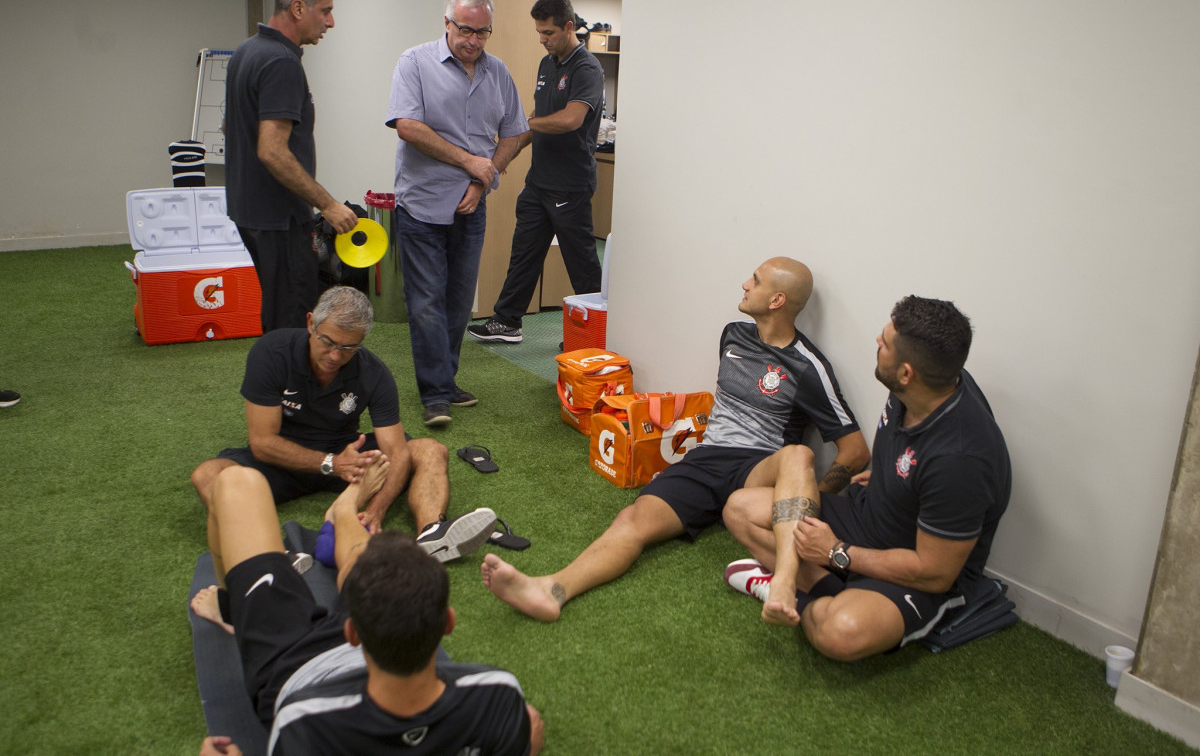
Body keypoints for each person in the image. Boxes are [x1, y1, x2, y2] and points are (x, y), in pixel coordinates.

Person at [481, 258, 870, 621]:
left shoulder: (808, 366)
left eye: (755, 280)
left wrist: (804, 502)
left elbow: (855, 450)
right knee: (633, 519)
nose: (745, 284)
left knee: (798, 454)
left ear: (777, 300)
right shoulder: (733, 336)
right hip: (708, 457)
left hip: (759, 467)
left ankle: (783, 582)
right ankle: (552, 590)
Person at [722, 296, 1012, 662]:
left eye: (886, 343)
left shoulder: (960, 460)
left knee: (840, 633)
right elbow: (912, 454)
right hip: (866, 517)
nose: (877, 341)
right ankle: (798, 583)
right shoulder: (924, 385)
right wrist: (883, 476)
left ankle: (799, 584)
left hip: (912, 568)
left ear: (907, 372)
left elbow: (934, 573)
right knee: (740, 509)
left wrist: (836, 553)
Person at [191, 465, 545, 755]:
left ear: (352, 633)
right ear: (447, 624)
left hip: (291, 664)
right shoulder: (499, 696)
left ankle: (233, 606)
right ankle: (344, 511)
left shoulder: (301, 727)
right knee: (373, 565)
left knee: (237, 482)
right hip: (353, 650)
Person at [190, 286, 495, 562]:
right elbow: (262, 442)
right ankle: (271, 554)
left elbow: (397, 452)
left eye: (348, 348)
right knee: (209, 475)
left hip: (348, 461)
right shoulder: (272, 352)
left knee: (430, 449)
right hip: (282, 461)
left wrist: (376, 510)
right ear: (311, 323)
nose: (335, 355)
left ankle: (432, 536)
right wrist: (331, 463)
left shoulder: (374, 372)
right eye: (327, 341)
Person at [386, 0, 529, 427]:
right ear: (447, 24)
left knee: (456, 302)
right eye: (465, 29)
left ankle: (443, 382)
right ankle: (435, 394)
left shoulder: (498, 72)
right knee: (426, 302)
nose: (473, 39)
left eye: (482, 32)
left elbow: (515, 133)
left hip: (471, 207)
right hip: (422, 206)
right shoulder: (414, 63)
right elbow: (407, 126)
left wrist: (482, 179)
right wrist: (470, 161)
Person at [225, 0, 358, 332]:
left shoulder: (246, 51)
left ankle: (281, 387)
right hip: (278, 218)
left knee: (279, 310)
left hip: (251, 212)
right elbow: (272, 149)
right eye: (326, 11)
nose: (330, 22)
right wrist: (328, 204)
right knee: (292, 321)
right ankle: (286, 390)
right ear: (298, 8)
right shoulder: (281, 61)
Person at [467, 0, 605, 345]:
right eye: (540, 33)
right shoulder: (548, 64)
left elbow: (571, 119)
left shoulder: (586, 68)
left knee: (582, 264)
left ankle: (595, 335)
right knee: (524, 253)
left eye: (548, 33)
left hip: (570, 186)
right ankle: (507, 320)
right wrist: (508, 155)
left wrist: (526, 123)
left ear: (568, 27)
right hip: (539, 183)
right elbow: (537, 123)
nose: (542, 40)